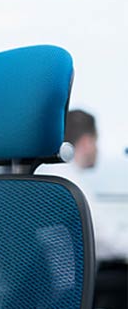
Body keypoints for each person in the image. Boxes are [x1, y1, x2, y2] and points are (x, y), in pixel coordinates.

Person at [37, 109, 128, 260]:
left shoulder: (53, 176)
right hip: (78, 278)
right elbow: (102, 238)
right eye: (95, 141)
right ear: (86, 142)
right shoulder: (68, 184)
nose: (97, 149)